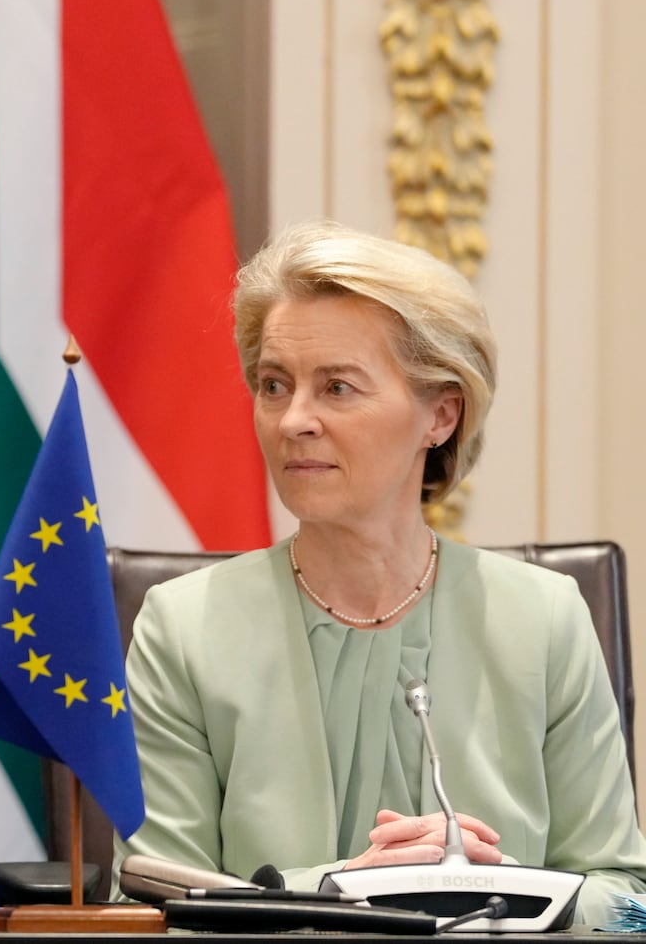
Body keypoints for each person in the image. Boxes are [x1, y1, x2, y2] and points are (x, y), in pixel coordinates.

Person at [116, 220, 646, 923]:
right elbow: (153, 904)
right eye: (274, 385)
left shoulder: (546, 618)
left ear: (441, 415)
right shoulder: (183, 627)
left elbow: (628, 901)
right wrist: (343, 890)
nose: (293, 419)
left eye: (337, 387)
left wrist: (514, 891)